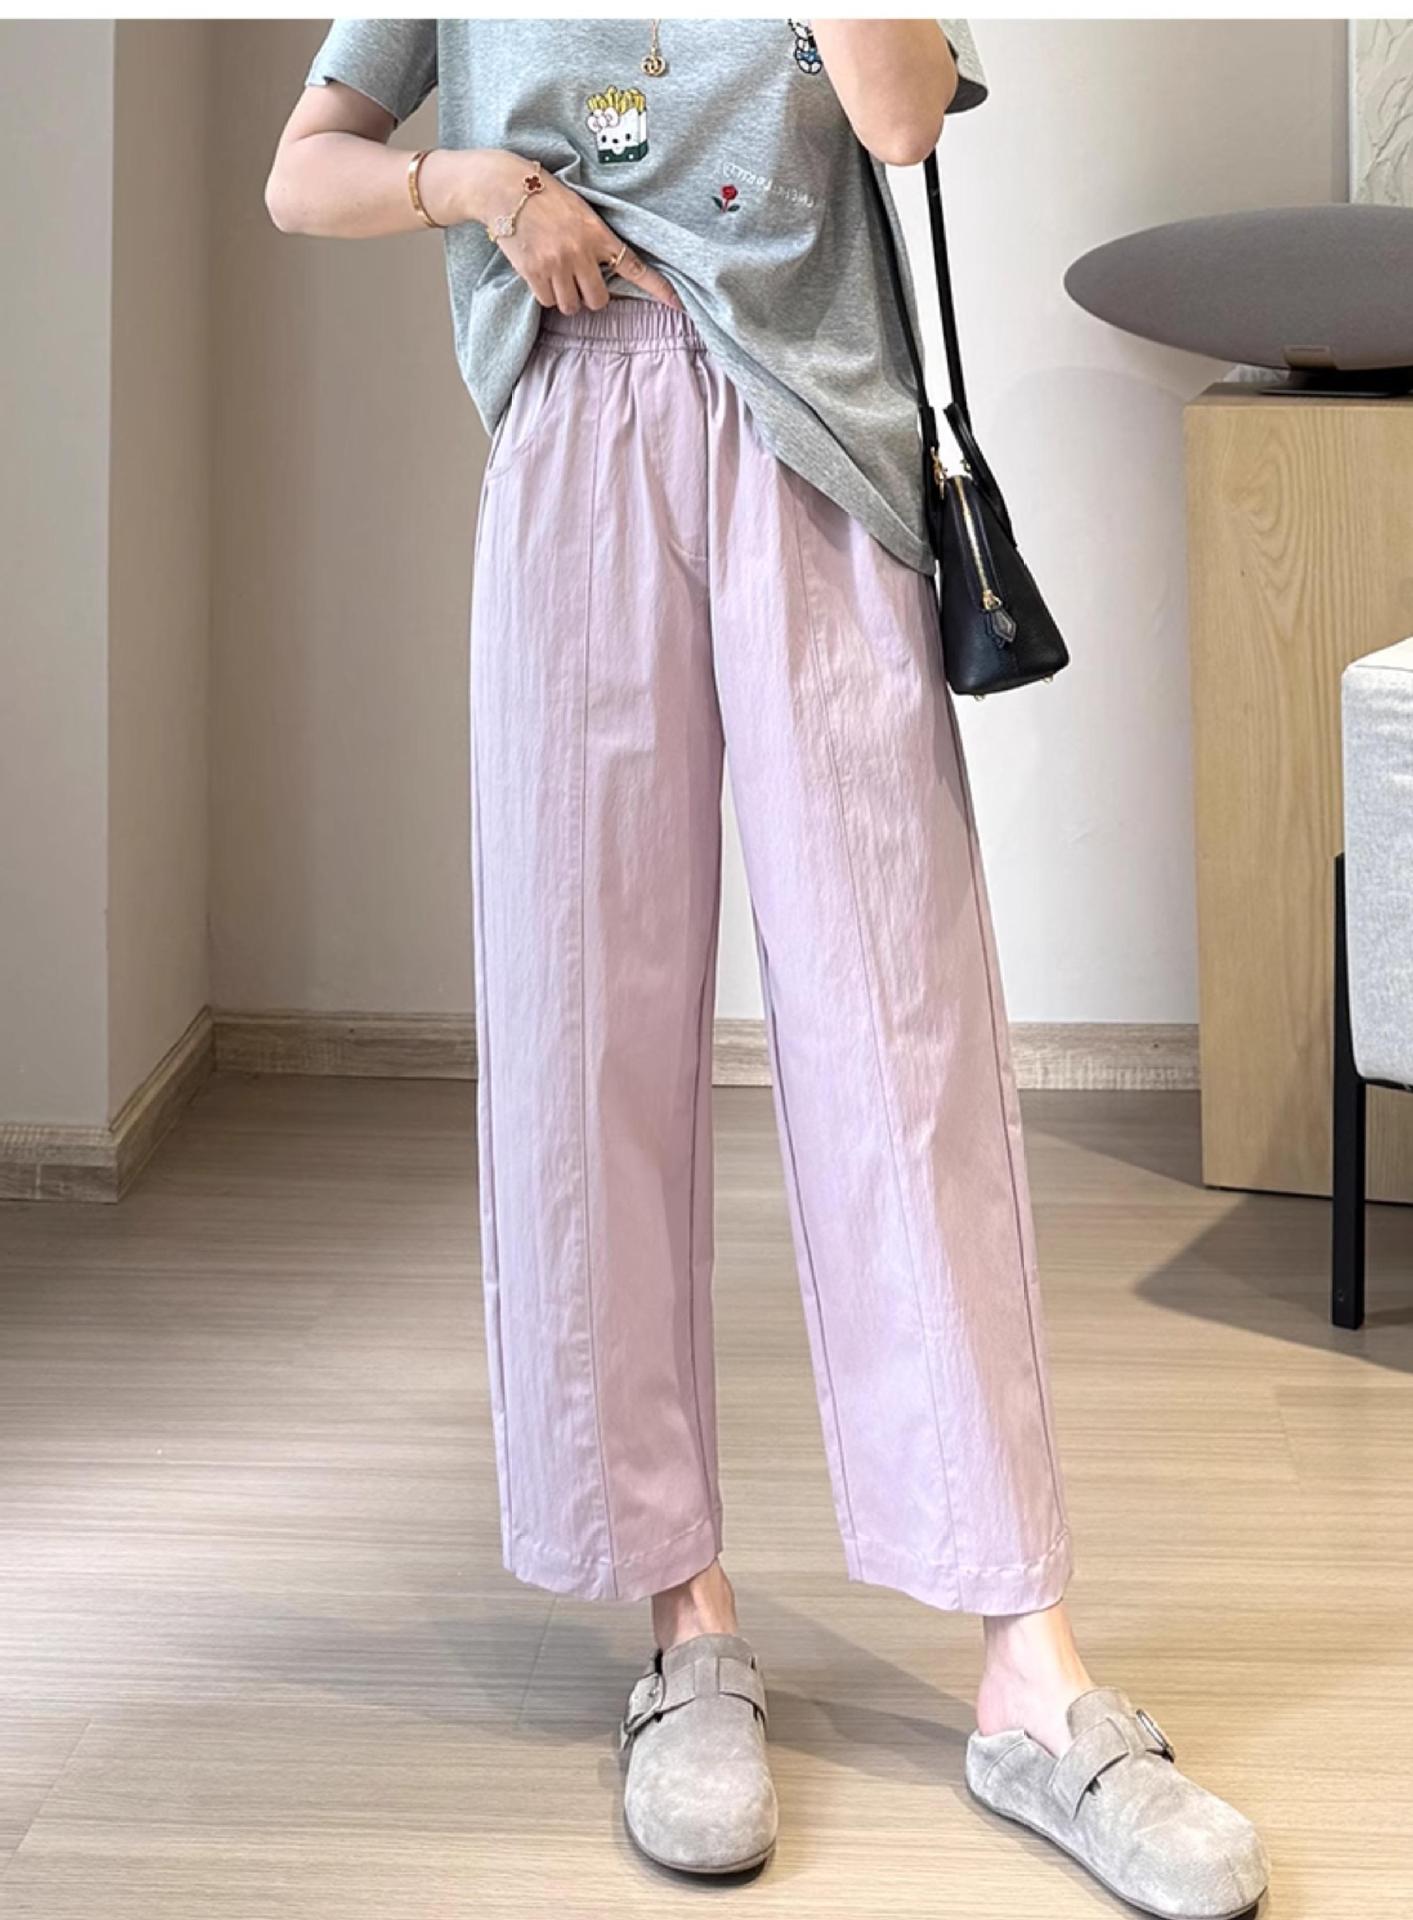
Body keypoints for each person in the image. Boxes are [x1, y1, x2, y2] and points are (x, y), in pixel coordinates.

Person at [267, 21, 1268, 1914]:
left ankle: (1029, 1669)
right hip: (574, 436)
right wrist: (476, 184)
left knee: (903, 1045)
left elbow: (896, 117)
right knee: (587, 1042)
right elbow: (299, 171)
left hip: (813, 451)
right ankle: (686, 1623)